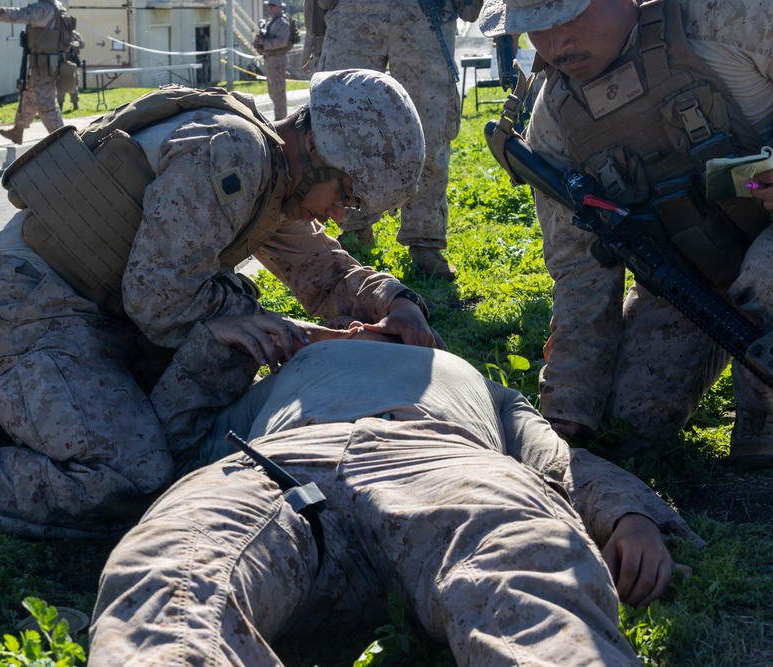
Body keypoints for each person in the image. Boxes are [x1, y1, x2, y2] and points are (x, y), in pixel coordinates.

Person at [0, 69, 436, 615]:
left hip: (78, 325)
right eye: (347, 195)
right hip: (21, 321)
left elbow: (320, 270)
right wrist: (261, 324)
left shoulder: (270, 175)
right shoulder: (233, 154)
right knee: (128, 472)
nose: (337, 214)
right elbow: (160, 300)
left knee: (222, 355)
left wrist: (396, 303)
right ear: (320, 147)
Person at [87, 339, 704, 665]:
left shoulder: (474, 382)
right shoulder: (297, 367)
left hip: (444, 461)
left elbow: (563, 459)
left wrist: (630, 516)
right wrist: (210, 347)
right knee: (177, 573)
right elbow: (177, 442)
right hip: (275, 467)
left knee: (526, 566)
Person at [479, 0, 773, 467]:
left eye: (569, 17)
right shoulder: (556, 125)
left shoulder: (728, 18)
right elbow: (579, 270)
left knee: (764, 274)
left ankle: (762, 423)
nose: (557, 43)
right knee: (630, 422)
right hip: (698, 275)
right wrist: (569, 407)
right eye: (537, 28)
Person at [315, 0, 477, 280]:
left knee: (430, 123)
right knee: (344, 121)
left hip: (424, 10)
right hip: (354, 12)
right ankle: (354, 226)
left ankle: (425, 239)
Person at [0, 0, 71, 144]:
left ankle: (64, 139)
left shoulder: (42, 8)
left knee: (46, 104)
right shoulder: (59, 7)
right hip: (50, 62)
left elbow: (17, 15)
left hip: (43, 64)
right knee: (29, 94)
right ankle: (18, 130)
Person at [253, 0, 292, 120]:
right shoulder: (271, 22)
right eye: (269, 5)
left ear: (280, 7)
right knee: (273, 91)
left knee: (278, 92)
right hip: (271, 59)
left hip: (278, 59)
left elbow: (282, 41)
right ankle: (279, 117)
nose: (270, 8)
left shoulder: (282, 23)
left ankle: (281, 119)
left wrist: (265, 43)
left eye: (273, 5)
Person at [55, 29, 83, 112]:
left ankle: (75, 104)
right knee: (60, 85)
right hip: (60, 64)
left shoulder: (74, 34)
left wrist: (72, 43)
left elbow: (81, 44)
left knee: (74, 85)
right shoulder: (56, 33)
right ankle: (60, 105)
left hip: (72, 64)